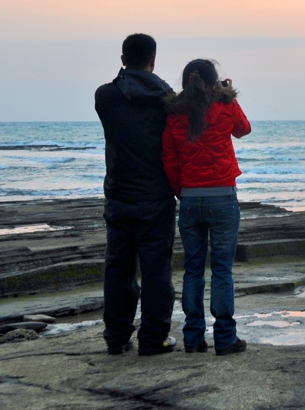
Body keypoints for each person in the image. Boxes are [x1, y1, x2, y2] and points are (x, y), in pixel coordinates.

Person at [94, 33, 177, 356]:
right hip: (156, 195)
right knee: (157, 269)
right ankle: (154, 337)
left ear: (123, 60)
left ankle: (116, 337)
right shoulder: (166, 99)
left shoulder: (105, 96)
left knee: (119, 267)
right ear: (153, 60)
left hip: (118, 195)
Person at [162, 59, 251, 356]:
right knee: (222, 271)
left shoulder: (174, 114)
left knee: (193, 270)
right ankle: (225, 339)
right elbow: (243, 129)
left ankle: (193, 338)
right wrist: (229, 95)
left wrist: (181, 192)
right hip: (222, 196)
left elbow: (169, 159)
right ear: (215, 83)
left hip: (190, 199)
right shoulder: (224, 107)